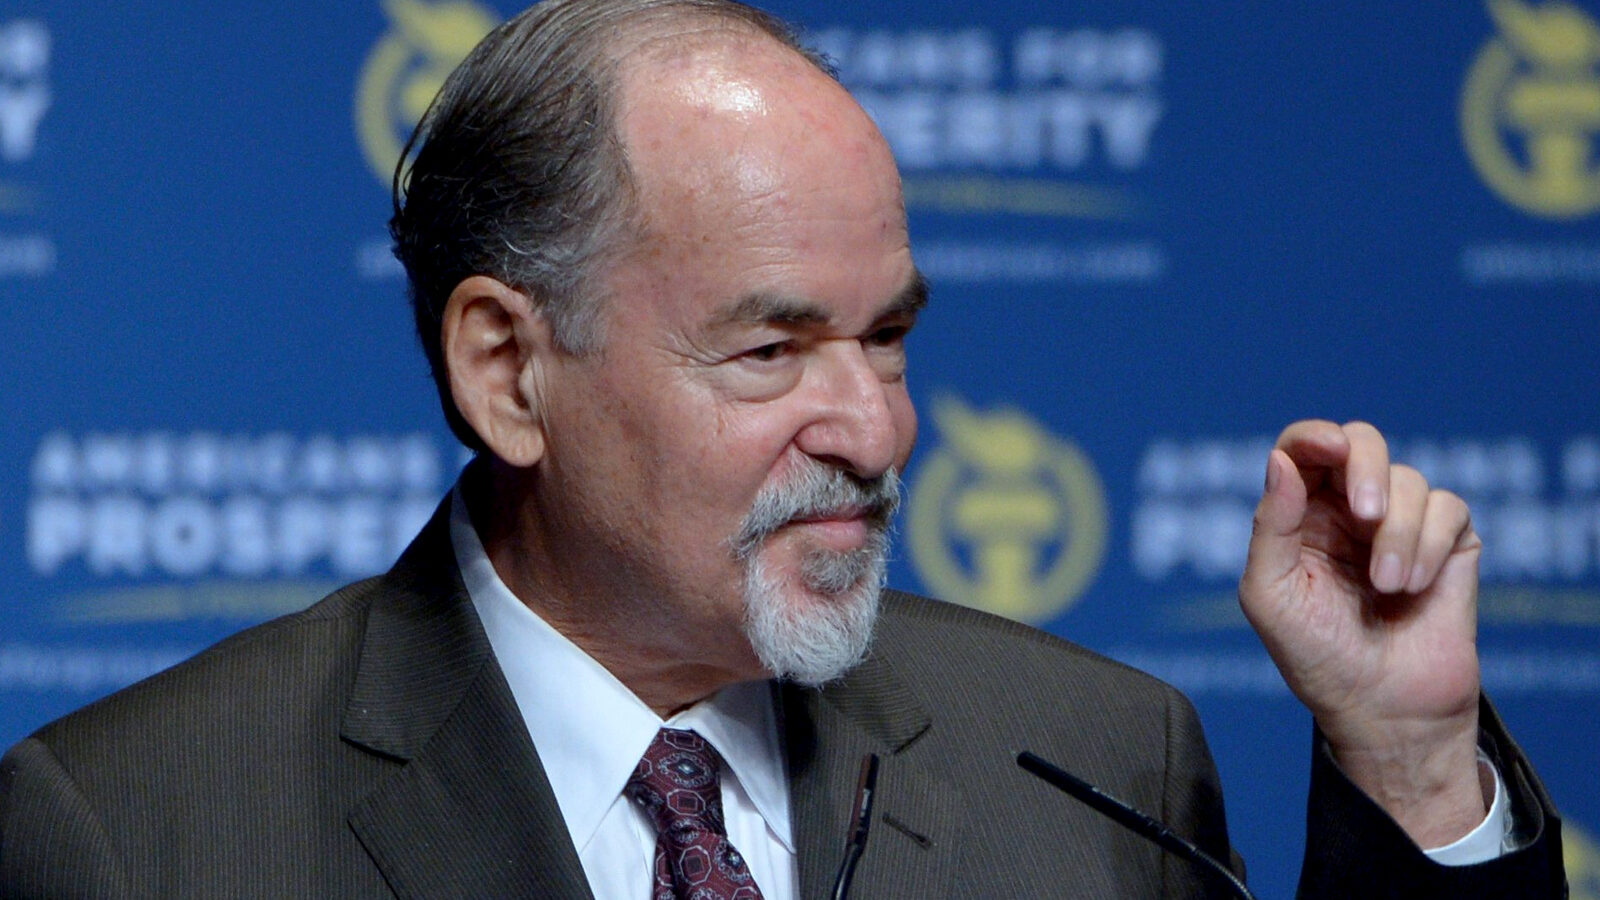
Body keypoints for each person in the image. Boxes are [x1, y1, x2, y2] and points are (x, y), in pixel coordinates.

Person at [0, 0, 1567, 897]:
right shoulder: (141, 835)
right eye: (770, 351)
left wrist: (1414, 765)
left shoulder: (1094, 762)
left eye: (887, 337)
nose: (878, 428)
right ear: (508, 372)